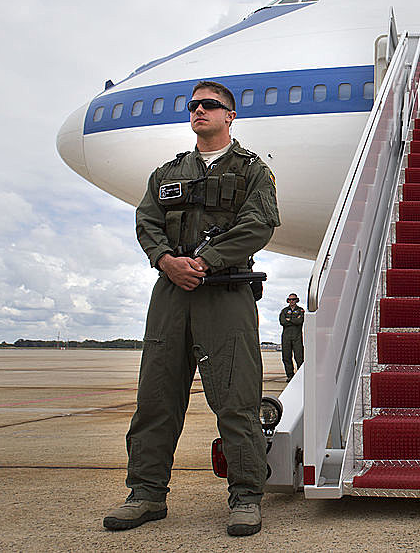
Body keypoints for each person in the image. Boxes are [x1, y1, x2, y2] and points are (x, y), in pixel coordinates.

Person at [103, 80, 280, 537]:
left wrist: (204, 262)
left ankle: (245, 497)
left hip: (224, 292)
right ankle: (145, 494)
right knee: (156, 399)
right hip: (170, 294)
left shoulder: (253, 171)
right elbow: (147, 221)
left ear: (230, 116)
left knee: (236, 401)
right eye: (194, 106)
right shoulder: (167, 172)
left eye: (209, 105)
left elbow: (259, 224)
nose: (198, 110)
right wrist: (166, 260)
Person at [279, 293, 305, 380]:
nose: (291, 301)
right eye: (290, 300)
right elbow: (282, 321)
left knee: (299, 357)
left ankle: (301, 376)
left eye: (293, 299)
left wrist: (289, 319)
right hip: (286, 337)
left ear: (296, 300)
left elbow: (300, 321)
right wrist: (294, 320)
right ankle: (290, 375)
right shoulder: (284, 311)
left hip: (297, 337)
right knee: (286, 357)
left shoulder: (300, 310)